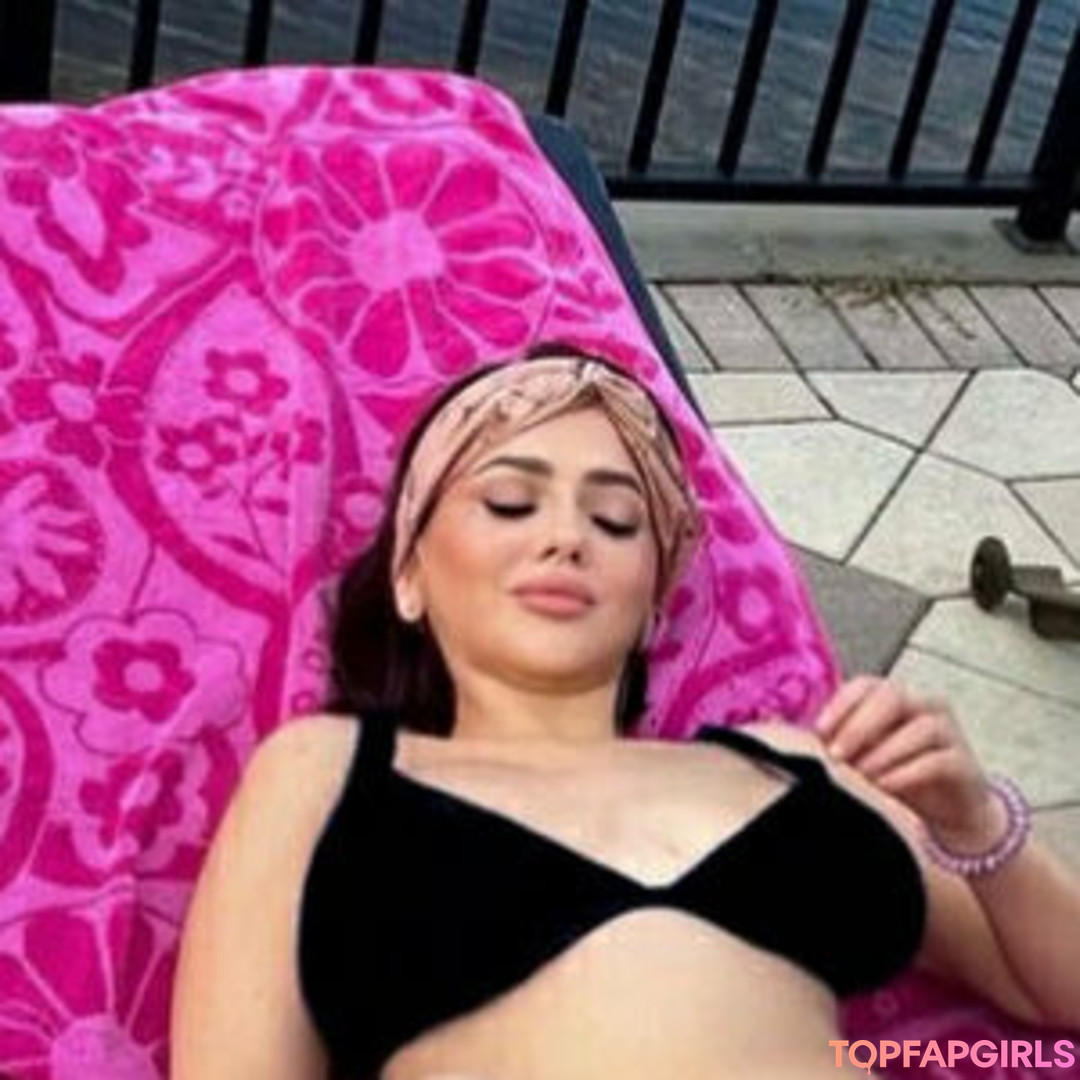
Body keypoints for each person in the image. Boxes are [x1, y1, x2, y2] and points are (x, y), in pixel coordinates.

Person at [169, 345, 1080, 1080]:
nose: (566, 537)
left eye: (616, 521)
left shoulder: (790, 762)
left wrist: (976, 821)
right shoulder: (327, 772)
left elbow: (1057, 996)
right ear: (409, 573)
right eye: (510, 502)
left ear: (653, 605)